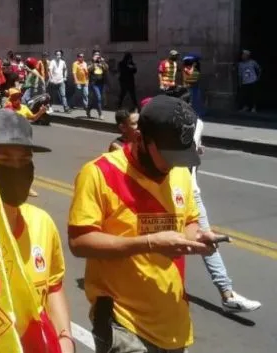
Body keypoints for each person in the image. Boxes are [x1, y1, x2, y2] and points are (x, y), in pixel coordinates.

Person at [68, 95, 220, 353]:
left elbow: (190, 222)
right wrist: (148, 243)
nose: (173, 164)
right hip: (123, 323)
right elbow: (79, 242)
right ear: (140, 139)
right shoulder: (99, 173)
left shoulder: (179, 171)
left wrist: (198, 238)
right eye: (167, 155)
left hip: (172, 320)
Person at [0, 109, 74, 353]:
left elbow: (53, 286)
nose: (16, 169)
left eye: (24, 161)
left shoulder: (41, 223)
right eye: (2, 160)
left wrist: (65, 339)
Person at [190, 119, 261, 312]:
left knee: (207, 240)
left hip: (191, 192)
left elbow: (192, 159)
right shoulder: (163, 120)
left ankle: (227, 294)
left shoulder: (197, 123)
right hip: (165, 191)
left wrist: (196, 151)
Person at [87, 52, 108, 120]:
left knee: (97, 99)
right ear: (93, 56)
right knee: (98, 98)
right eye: (96, 55)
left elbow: (106, 69)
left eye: (98, 55)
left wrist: (102, 62)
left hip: (101, 83)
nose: (97, 56)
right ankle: (100, 114)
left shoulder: (102, 62)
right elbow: (89, 69)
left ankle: (88, 109)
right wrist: (94, 63)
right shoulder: (90, 62)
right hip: (93, 83)